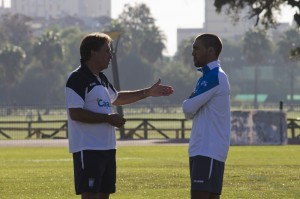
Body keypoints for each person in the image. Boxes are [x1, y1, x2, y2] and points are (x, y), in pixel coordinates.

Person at [65, 32, 174, 199]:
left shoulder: (101, 78)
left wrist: (148, 92)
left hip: (107, 148)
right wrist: (107, 119)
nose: (111, 55)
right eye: (107, 51)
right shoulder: (77, 78)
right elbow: (75, 113)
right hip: (88, 150)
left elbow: (117, 98)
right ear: (93, 52)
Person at [182, 33, 231, 199]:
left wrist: (189, 102)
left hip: (208, 149)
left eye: (197, 48)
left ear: (210, 51)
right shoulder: (206, 77)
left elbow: (188, 108)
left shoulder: (215, 76)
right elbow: (190, 110)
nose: (192, 52)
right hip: (203, 149)